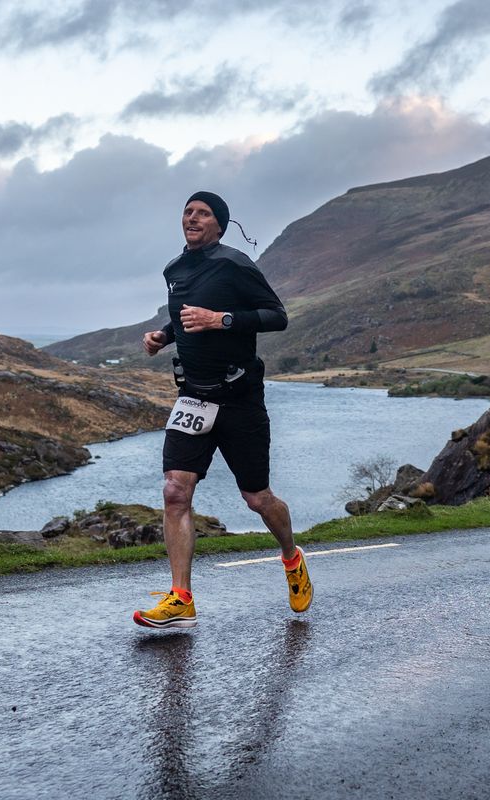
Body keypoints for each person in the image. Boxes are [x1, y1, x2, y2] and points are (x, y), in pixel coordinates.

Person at [133, 190, 312, 629]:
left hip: (239, 398)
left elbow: (276, 315)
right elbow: (184, 317)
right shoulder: (175, 270)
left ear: (220, 224)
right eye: (188, 211)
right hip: (193, 396)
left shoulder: (234, 264)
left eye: (203, 213)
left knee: (257, 498)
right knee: (175, 491)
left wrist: (222, 320)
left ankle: (291, 557)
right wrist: (163, 335)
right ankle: (181, 599)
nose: (192, 218)